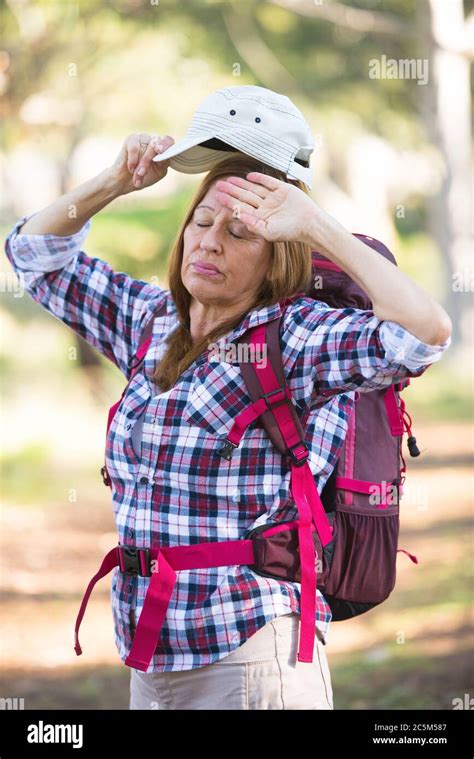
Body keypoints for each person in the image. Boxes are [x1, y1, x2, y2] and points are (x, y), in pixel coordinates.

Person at [4, 86, 452, 710]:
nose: (210, 242)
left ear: (276, 260)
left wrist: (317, 225)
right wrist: (113, 182)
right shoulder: (152, 321)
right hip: (150, 656)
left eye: (241, 233)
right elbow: (32, 254)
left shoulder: (296, 339)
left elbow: (422, 335)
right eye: (203, 221)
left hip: (250, 659)